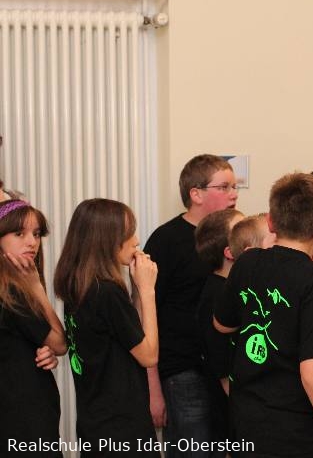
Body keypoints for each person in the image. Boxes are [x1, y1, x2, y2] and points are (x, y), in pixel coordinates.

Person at [214, 173, 313, 457]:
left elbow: (222, 324)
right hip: (294, 430)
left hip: (245, 420)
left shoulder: (247, 261)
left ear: (271, 222)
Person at [143, 153, 238, 455]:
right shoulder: (167, 240)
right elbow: (145, 313)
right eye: (224, 187)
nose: (234, 194)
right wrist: (153, 388)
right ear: (196, 194)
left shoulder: (236, 236)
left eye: (235, 187)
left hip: (223, 368)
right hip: (184, 372)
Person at [54, 198, 160, 456]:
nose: (136, 241)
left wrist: (137, 288)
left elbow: (130, 332)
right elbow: (148, 355)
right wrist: (148, 291)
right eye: (129, 234)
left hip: (94, 422)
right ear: (106, 240)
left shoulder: (79, 286)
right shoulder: (107, 292)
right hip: (123, 428)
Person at [0, 199, 65, 455]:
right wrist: (37, 288)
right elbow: (60, 343)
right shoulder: (10, 291)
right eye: (19, 234)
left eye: (36, 234)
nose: (32, 242)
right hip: (21, 416)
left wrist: (41, 349)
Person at [194, 208, 245, 456]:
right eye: (242, 230)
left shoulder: (229, 288)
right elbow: (221, 367)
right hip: (230, 411)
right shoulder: (217, 294)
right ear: (229, 253)